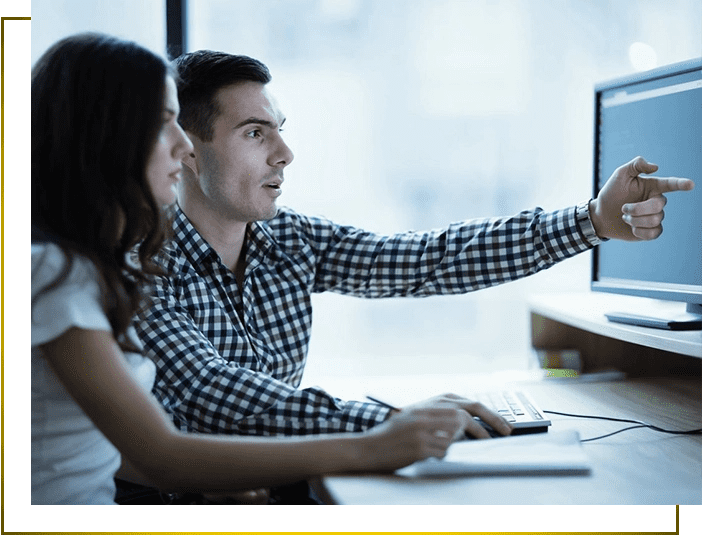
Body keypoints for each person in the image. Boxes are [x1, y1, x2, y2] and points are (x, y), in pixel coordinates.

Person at [134, 48, 694, 444]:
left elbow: (429, 258)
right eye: (256, 133)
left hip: (269, 473)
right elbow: (221, 397)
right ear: (186, 149)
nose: (285, 153)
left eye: (280, 129)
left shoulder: (290, 240)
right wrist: (392, 421)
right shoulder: (143, 262)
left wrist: (592, 219)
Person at [30, 33, 481, 506]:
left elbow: (108, 449)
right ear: (108, 138)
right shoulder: (62, 272)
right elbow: (175, 435)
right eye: (163, 124)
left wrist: (199, 481)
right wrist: (380, 438)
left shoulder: (85, 263)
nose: (183, 146)